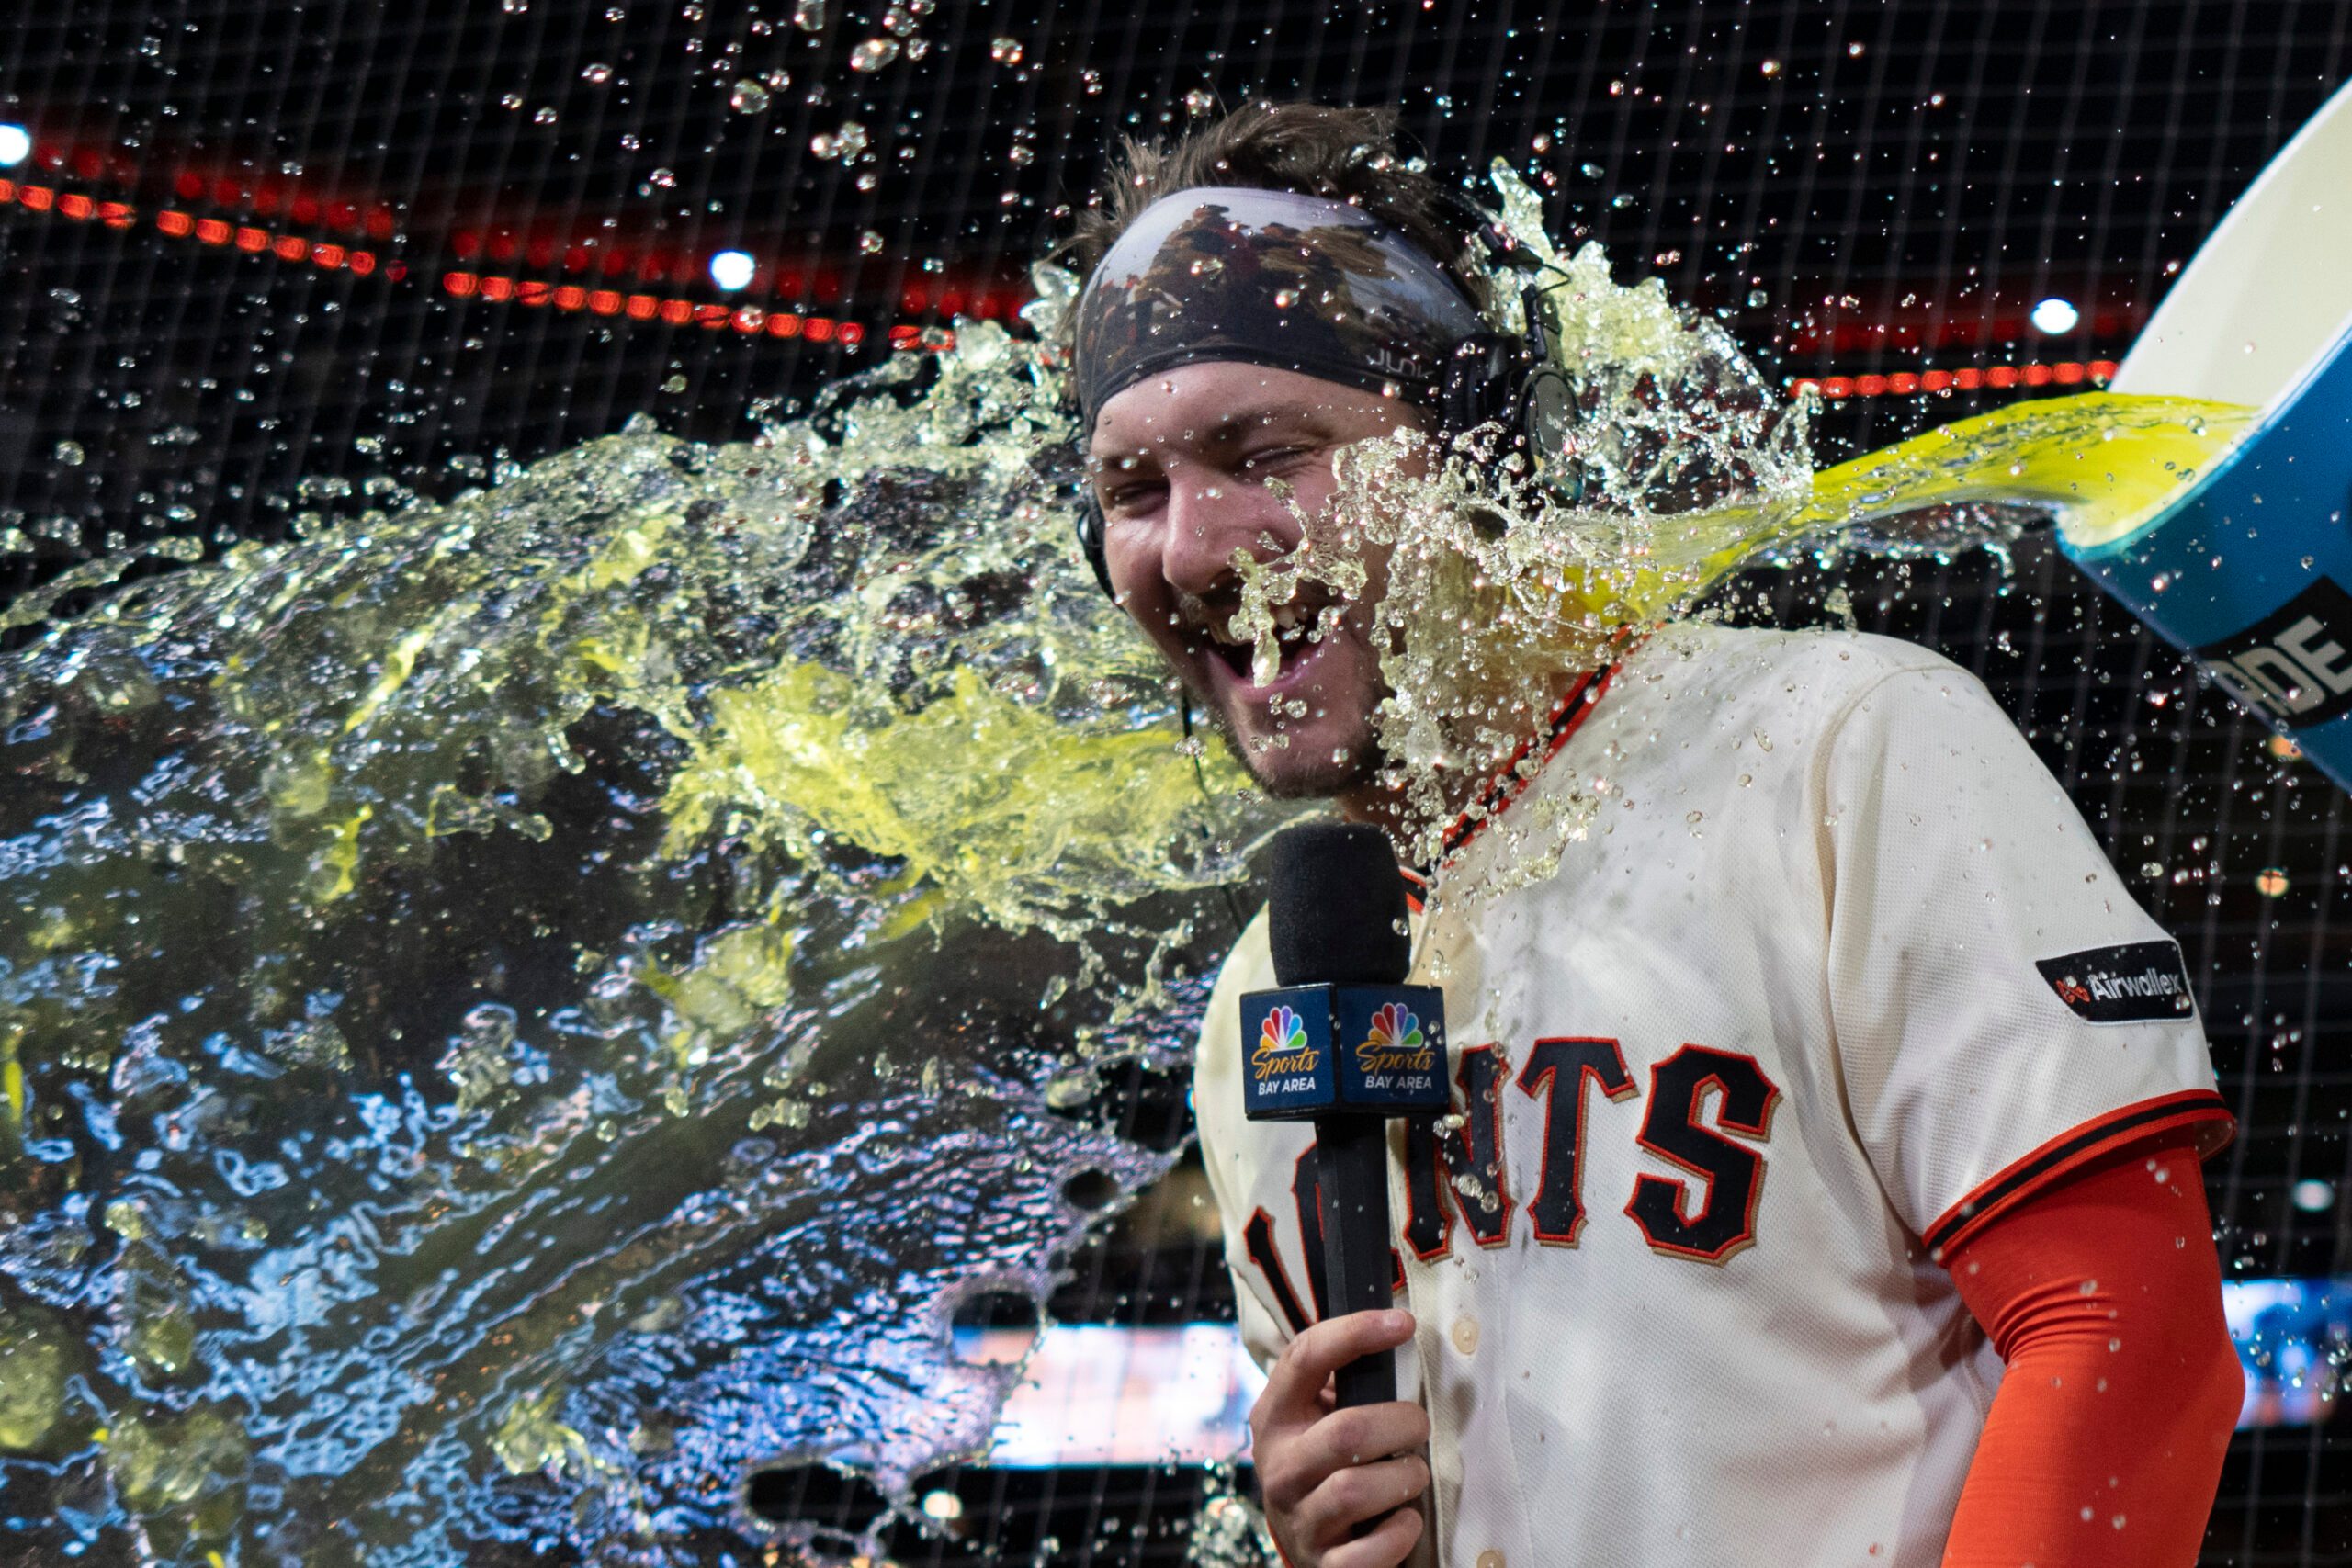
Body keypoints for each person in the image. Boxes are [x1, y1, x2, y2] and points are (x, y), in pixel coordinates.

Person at [1057, 101, 2244, 1568]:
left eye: (1268, 450)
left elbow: (2126, 1339)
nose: (1188, 545)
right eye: (1132, 488)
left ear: (1473, 459)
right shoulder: (1265, 998)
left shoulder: (1839, 745)